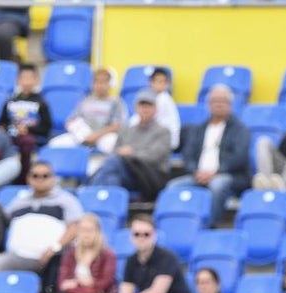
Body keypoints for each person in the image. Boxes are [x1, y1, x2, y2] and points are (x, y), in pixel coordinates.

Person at [0, 160, 83, 291]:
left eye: (45, 176)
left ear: (53, 178)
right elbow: (1, 222)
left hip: (52, 257)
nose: (40, 179)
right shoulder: (19, 201)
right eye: (35, 176)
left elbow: (75, 227)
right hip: (19, 257)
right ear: (28, 178)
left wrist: (54, 248)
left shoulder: (66, 200)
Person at [166, 84, 252, 226]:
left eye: (223, 101)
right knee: (173, 187)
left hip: (229, 176)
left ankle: (209, 226)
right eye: (215, 100)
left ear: (230, 105)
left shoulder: (240, 129)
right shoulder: (199, 129)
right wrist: (196, 171)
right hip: (199, 176)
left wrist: (216, 172)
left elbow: (239, 157)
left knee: (218, 185)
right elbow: (188, 155)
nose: (218, 104)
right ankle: (177, 226)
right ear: (208, 104)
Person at [88, 89, 173, 203]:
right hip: (127, 174)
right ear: (136, 108)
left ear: (155, 109)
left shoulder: (163, 132)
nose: (145, 109)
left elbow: (153, 157)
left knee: (112, 164)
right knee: (112, 177)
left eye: (149, 106)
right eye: (142, 105)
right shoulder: (127, 131)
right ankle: (109, 207)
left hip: (150, 177)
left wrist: (132, 153)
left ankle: (91, 197)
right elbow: (115, 152)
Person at [113, 213, 191, 293]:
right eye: (136, 234)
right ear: (131, 237)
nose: (141, 238)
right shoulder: (131, 260)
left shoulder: (167, 257)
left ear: (154, 236)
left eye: (146, 234)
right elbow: (126, 289)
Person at [52, 213, 117, 293]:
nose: (86, 234)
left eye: (89, 230)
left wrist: (84, 283)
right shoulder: (71, 253)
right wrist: (82, 282)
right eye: (82, 230)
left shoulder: (107, 254)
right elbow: (62, 283)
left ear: (98, 232)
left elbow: (106, 282)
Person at [47, 67, 127, 157]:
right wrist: (81, 135)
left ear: (109, 84)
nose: (100, 85)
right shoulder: (85, 101)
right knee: (54, 144)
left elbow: (117, 126)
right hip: (83, 136)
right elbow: (70, 121)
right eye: (96, 81)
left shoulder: (116, 102)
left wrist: (96, 136)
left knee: (114, 146)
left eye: (103, 82)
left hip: (104, 136)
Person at [0, 63, 53, 184]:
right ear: (18, 80)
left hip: (30, 137)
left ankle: (23, 178)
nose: (27, 81)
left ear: (36, 80)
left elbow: (46, 127)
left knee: (27, 142)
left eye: (30, 78)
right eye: (24, 77)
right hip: (11, 135)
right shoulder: (10, 101)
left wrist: (29, 130)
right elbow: (2, 123)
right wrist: (3, 129)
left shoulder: (41, 102)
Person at [129, 66, 180, 152]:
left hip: (164, 141)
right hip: (152, 138)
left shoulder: (164, 99)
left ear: (167, 84)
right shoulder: (150, 98)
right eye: (158, 81)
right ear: (151, 83)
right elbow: (136, 119)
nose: (161, 85)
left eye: (163, 82)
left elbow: (147, 119)